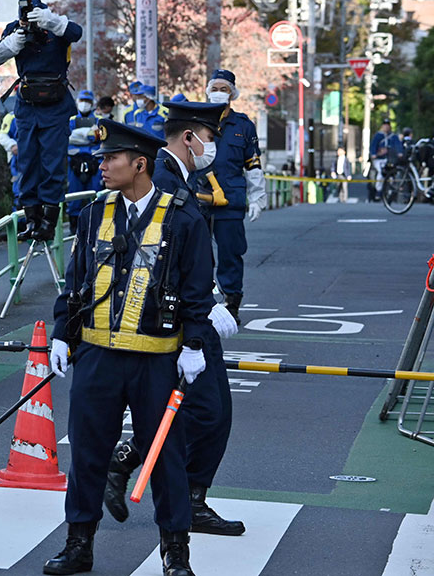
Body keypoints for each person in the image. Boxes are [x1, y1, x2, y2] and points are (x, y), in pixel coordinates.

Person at [44, 119, 214, 576]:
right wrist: (62, 333)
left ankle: (175, 553)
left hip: (156, 359)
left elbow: (198, 288)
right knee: (87, 453)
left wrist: (194, 343)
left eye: (111, 158)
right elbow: (76, 281)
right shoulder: (93, 213)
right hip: (96, 355)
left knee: (166, 457)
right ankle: (79, 545)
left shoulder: (182, 216)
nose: (101, 166)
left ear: (140, 164)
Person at [101, 101, 244, 541]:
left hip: (185, 312)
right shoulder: (160, 179)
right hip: (172, 320)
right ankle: (140, 472)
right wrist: (204, 305)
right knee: (206, 412)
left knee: (206, 412)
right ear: (189, 138)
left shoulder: (179, 177)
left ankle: (177, 490)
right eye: (210, 138)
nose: (213, 148)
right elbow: (150, 257)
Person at [0, 0, 83, 241]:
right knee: (27, 162)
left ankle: (48, 222)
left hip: (55, 105)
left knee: (53, 164)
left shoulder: (57, 27)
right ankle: (31, 219)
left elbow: (76, 33)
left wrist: (51, 22)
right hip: (28, 105)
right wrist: (15, 40)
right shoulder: (15, 29)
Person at [194, 69, 265, 324]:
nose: (218, 93)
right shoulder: (195, 122)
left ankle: (231, 304)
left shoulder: (243, 126)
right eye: (214, 89)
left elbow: (253, 165)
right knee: (197, 255)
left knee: (230, 254)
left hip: (230, 201)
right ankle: (199, 303)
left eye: (224, 89)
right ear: (207, 91)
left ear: (232, 94)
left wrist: (258, 198)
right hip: (198, 198)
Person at [66, 90, 103, 233]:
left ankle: (95, 224)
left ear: (92, 103)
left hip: (95, 161)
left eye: (87, 101)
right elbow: (67, 138)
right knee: (74, 194)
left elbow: (99, 138)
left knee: (95, 193)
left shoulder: (99, 120)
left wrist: (79, 137)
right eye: (82, 101)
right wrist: (89, 135)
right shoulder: (70, 120)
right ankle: (74, 226)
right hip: (74, 162)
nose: (84, 104)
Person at [369, 119, 402, 199]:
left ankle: (391, 190)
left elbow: (398, 145)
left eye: (387, 125)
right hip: (379, 159)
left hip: (390, 159)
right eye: (385, 125)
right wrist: (374, 154)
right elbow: (373, 146)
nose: (386, 127)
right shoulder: (378, 136)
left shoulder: (393, 136)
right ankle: (379, 191)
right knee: (381, 173)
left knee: (393, 173)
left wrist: (399, 152)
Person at [0, 110, 22, 211]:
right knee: (19, 192)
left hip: (36, 157)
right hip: (17, 158)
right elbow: (2, 135)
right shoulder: (11, 116)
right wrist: (12, 145)